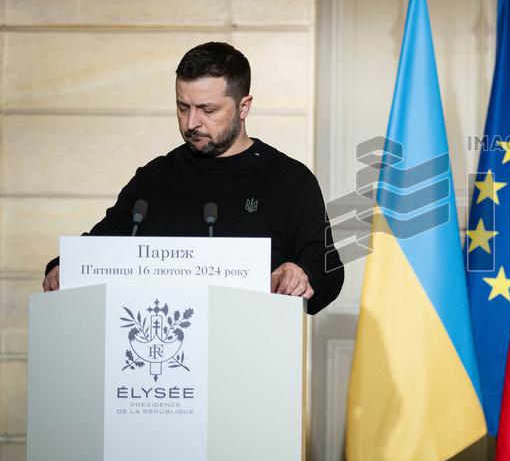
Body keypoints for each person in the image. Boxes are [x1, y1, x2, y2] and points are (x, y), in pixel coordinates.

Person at [41, 42, 344, 314]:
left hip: (251, 355)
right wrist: (64, 267)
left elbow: (328, 268)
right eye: (182, 107)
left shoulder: (289, 180)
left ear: (244, 107)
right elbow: (102, 246)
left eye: (207, 110)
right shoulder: (154, 179)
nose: (191, 123)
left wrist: (302, 273)